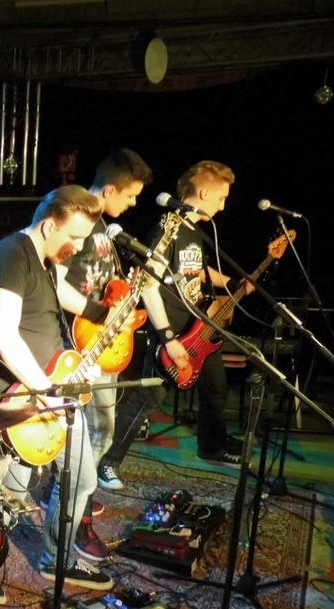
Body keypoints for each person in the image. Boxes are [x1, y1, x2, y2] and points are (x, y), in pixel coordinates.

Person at [0, 185, 118, 590]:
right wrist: (46, 393)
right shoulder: (10, 256)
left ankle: (57, 560)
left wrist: (95, 316)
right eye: (74, 236)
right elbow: (4, 336)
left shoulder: (46, 258)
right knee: (5, 496)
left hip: (55, 391)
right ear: (50, 225)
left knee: (81, 480)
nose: (79, 247)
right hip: (22, 398)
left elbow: (53, 303)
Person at [97, 160, 254, 488]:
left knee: (216, 387)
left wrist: (232, 282)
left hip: (198, 328)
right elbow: (148, 284)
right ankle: (107, 463)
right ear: (204, 193)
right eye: (221, 198)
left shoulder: (196, 230)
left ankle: (211, 447)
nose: (223, 206)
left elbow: (197, 272)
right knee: (148, 400)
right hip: (170, 331)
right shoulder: (168, 228)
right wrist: (167, 337)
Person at [64, 148, 152, 492]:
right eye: (130, 196)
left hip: (104, 336)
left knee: (101, 426)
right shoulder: (78, 220)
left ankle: (76, 497)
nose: (133, 203)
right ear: (110, 190)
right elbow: (56, 283)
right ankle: (74, 500)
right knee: (94, 428)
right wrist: (100, 313)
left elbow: (102, 280)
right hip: (81, 340)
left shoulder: (103, 227)